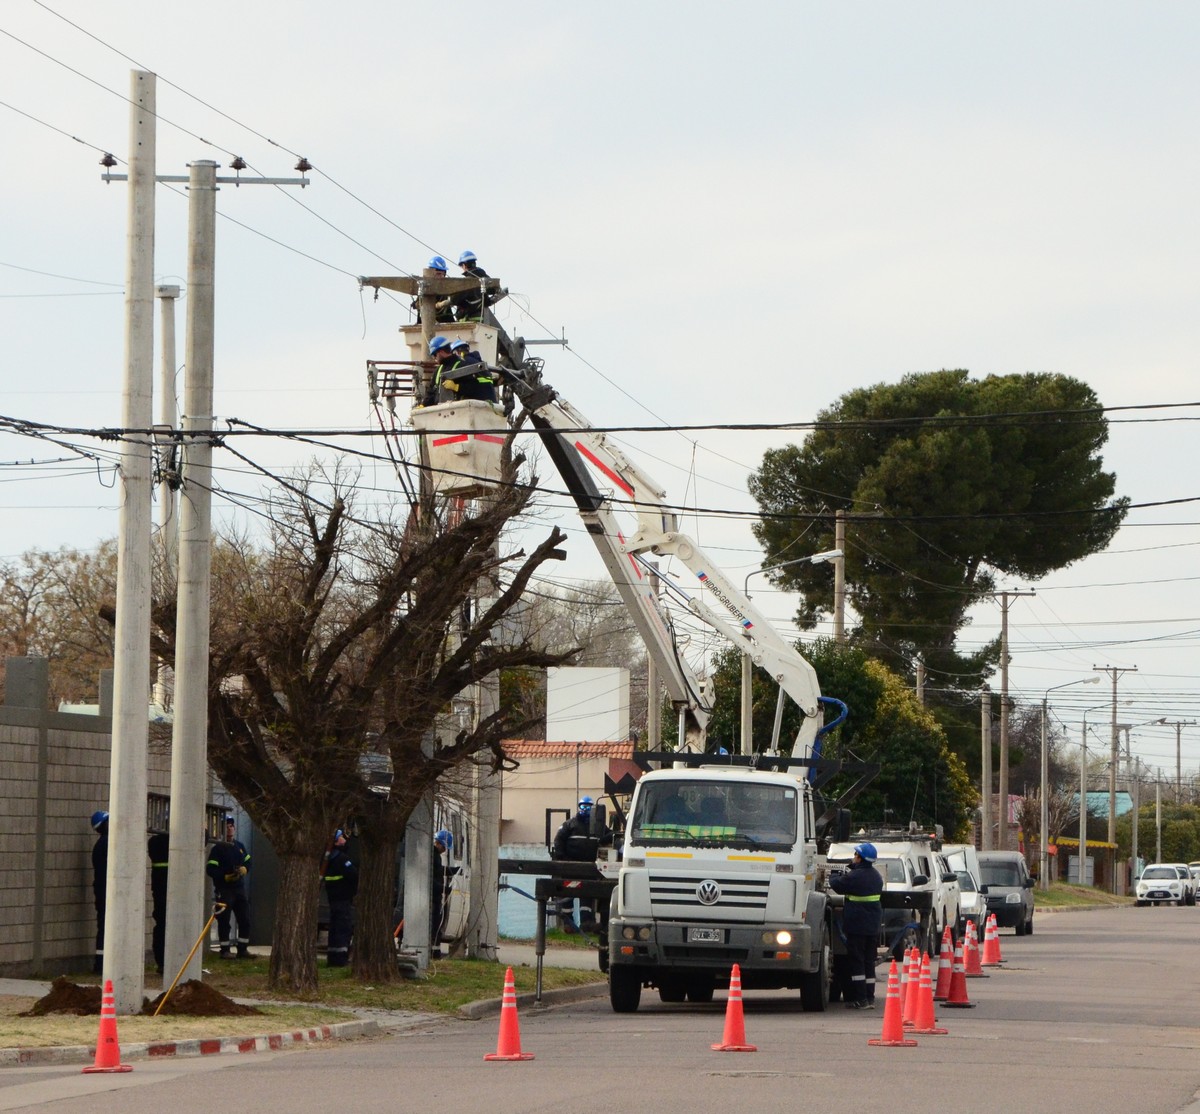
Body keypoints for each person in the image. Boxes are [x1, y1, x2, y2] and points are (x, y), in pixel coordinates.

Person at [827, 841, 883, 1009]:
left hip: (857, 925)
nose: (853, 857)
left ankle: (861, 1000)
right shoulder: (876, 876)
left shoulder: (855, 876)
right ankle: (869, 997)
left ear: (860, 858)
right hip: (872, 926)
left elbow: (836, 885)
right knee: (868, 961)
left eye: (855, 855)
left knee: (857, 961)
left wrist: (833, 875)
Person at [551, 797, 611, 931]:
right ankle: (568, 924)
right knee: (567, 895)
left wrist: (607, 837)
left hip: (589, 868)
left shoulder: (598, 827)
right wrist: (563, 859)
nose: (586, 809)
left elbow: (610, 835)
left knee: (587, 896)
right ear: (579, 807)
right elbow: (558, 841)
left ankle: (587, 923)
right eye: (583, 806)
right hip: (570, 867)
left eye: (589, 807)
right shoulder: (569, 825)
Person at [208, 816, 252, 958]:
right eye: (227, 826)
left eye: (232, 825)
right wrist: (225, 876)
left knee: (244, 918)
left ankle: (242, 949)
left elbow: (248, 861)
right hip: (224, 889)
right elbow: (211, 869)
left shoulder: (239, 846)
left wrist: (244, 869)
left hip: (239, 888)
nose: (230, 828)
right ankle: (225, 950)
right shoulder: (218, 849)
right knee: (224, 920)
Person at [323, 829, 358, 968]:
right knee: (343, 928)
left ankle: (333, 957)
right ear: (337, 841)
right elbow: (353, 875)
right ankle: (340, 958)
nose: (345, 838)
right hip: (343, 898)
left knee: (335, 928)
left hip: (333, 898)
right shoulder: (342, 859)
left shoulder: (328, 859)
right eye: (342, 837)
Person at [147, 827, 169, 975]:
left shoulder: (153, 842)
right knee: (166, 925)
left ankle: (162, 963)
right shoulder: (174, 843)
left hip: (159, 890)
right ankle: (166, 962)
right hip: (169, 889)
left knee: (161, 925)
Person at [447, 338, 497, 403]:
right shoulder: (476, 361)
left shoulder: (464, 362)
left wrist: (456, 387)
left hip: (478, 400)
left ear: (457, 352)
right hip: (489, 400)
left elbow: (472, 386)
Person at [90, 810, 109, 975]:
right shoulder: (106, 843)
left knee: (104, 925)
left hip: (103, 890)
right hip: (106, 891)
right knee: (106, 925)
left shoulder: (102, 843)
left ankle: (102, 963)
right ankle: (101, 964)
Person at [411, 255, 456, 325]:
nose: (441, 277)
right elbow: (418, 304)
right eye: (438, 274)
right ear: (430, 273)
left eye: (443, 274)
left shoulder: (446, 289)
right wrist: (416, 304)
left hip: (446, 325)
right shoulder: (423, 288)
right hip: (425, 325)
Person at [430, 830, 451, 957]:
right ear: (439, 844)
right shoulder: (433, 856)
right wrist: (444, 889)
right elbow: (431, 879)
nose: (445, 850)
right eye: (444, 847)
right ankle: (434, 952)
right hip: (434, 896)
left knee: (437, 924)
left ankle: (435, 950)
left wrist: (452, 871)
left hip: (436, 896)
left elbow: (438, 871)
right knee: (434, 926)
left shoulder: (435, 856)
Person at [423, 335, 459, 405]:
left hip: (457, 410)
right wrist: (423, 405)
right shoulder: (438, 370)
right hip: (440, 411)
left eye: (434, 355)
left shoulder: (461, 364)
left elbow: (472, 387)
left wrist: (457, 387)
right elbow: (431, 392)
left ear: (441, 352)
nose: (434, 358)